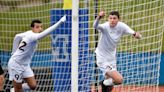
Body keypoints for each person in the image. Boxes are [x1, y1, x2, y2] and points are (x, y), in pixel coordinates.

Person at [8, 15, 66, 92]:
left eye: (41, 27)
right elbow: (46, 32)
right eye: (37, 27)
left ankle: (13, 90)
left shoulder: (28, 33)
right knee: (19, 90)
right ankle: (15, 89)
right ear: (32, 28)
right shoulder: (33, 36)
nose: (40, 29)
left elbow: (17, 36)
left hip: (25, 65)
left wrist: (13, 51)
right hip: (16, 64)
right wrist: (60, 22)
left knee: (33, 85)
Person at [93, 11, 142, 92]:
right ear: (108, 19)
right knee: (119, 80)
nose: (112, 20)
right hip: (102, 58)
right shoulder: (105, 26)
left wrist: (138, 36)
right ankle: (103, 83)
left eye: (114, 18)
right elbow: (95, 26)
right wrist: (99, 17)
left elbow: (134, 33)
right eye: (110, 18)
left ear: (119, 19)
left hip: (112, 58)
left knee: (110, 87)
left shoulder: (121, 26)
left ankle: (104, 84)